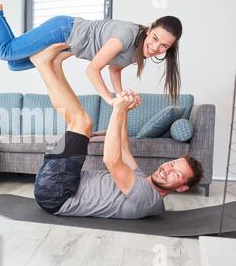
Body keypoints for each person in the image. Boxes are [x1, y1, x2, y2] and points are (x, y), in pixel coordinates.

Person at [29, 43, 203, 219]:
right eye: (172, 164)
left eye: (177, 174)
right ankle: (55, 66)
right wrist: (124, 105)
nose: (167, 169)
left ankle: (43, 64)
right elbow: (124, 148)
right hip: (65, 181)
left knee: (82, 122)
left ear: (182, 187)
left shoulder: (148, 198)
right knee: (77, 122)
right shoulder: (141, 181)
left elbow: (111, 160)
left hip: (57, 194)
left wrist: (118, 110)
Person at [0, 0, 183, 104]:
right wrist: (109, 100)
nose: (155, 48)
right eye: (155, 39)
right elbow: (93, 69)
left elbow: (114, 67)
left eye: (163, 46)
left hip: (68, 46)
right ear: (149, 29)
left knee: (14, 65)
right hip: (64, 30)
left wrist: (120, 94)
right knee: (6, 52)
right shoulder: (126, 35)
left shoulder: (139, 52)